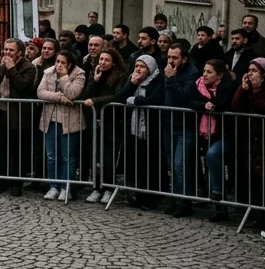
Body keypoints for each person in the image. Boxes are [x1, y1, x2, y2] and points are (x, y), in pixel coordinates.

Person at [210, 58, 265, 228]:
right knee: (251, 178)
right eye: (249, 70)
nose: (249, 74)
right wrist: (243, 90)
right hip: (249, 140)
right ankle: (253, 212)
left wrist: (256, 91)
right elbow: (236, 106)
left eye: (254, 71)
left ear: (264, 74)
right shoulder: (248, 89)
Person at [114, 54, 166, 209]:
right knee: (136, 163)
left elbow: (156, 99)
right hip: (134, 128)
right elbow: (119, 97)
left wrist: (135, 101)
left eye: (142, 66)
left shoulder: (158, 80)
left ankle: (151, 198)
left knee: (151, 164)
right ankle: (137, 194)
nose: (138, 69)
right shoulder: (133, 79)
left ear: (150, 68)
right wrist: (132, 84)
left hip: (152, 129)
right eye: (136, 66)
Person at [0, 38, 39, 196]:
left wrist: (11, 69)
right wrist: (3, 68)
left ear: (19, 53)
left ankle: (16, 183)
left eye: (11, 50)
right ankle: (1, 181)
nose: (6, 53)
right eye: (5, 49)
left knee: (18, 151)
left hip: (19, 114)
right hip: (1, 112)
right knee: (1, 149)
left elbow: (22, 86)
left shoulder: (29, 67)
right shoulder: (0, 64)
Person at [160, 42, 202, 217]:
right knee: (172, 164)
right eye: (169, 57)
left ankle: (183, 202)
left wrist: (171, 79)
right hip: (170, 123)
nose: (171, 61)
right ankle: (176, 199)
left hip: (186, 125)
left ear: (184, 58)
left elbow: (184, 96)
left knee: (180, 165)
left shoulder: (192, 72)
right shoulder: (169, 70)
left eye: (175, 58)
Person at [189, 58, 234, 222]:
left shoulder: (227, 86)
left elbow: (224, 102)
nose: (205, 75)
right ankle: (219, 208)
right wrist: (204, 105)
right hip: (204, 133)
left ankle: (219, 193)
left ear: (220, 75)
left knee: (213, 156)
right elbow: (191, 100)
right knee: (211, 167)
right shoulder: (198, 84)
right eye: (204, 71)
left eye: (209, 72)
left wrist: (211, 104)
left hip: (224, 133)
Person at [80, 49, 128, 203]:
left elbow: (117, 95)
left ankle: (108, 187)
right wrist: (94, 79)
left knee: (108, 156)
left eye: (106, 60)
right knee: (95, 156)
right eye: (101, 59)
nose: (102, 63)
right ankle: (96, 187)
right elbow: (85, 94)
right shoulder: (96, 73)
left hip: (112, 120)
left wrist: (96, 100)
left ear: (114, 62)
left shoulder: (120, 75)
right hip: (95, 119)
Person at [38, 51, 86, 201]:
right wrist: (59, 97)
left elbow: (72, 93)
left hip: (70, 121)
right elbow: (40, 92)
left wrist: (64, 77)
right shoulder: (48, 72)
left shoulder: (79, 74)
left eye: (63, 62)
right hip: (50, 119)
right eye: (57, 61)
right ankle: (54, 186)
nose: (58, 65)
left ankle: (66, 187)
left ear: (70, 64)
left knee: (68, 156)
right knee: (51, 155)